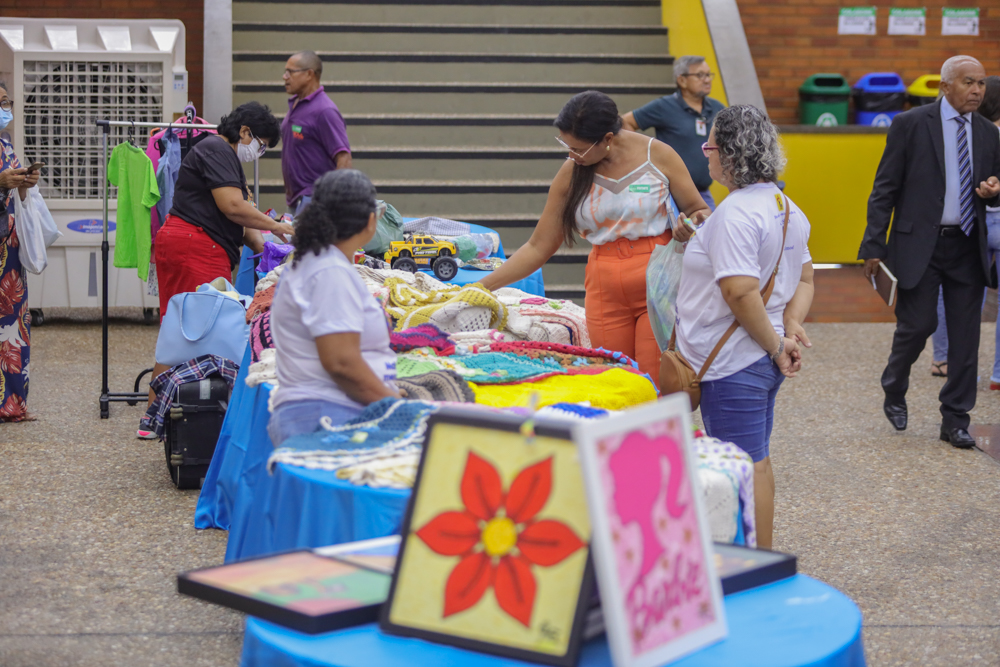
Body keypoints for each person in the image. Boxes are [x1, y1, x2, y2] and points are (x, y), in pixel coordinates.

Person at [479, 91, 710, 382]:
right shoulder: (572, 172)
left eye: (578, 148)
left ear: (608, 139)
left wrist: (689, 225)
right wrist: (481, 287)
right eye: (566, 145)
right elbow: (539, 246)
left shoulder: (657, 155)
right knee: (611, 378)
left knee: (654, 380)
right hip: (605, 281)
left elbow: (699, 210)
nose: (571, 155)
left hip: (657, 277)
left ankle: (658, 428)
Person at [676, 105, 813, 550]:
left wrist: (777, 344)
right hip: (758, 354)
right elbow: (806, 277)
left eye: (709, 145)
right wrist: (789, 325)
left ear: (730, 154)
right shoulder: (786, 207)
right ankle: (759, 558)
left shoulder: (736, 212)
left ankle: (755, 564)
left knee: (741, 468)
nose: (705, 154)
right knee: (756, 461)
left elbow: (740, 292)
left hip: (737, 361)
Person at [859, 56, 1000, 449]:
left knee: (965, 337)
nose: (977, 90)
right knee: (917, 325)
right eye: (969, 82)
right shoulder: (911, 124)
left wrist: (994, 189)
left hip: (967, 245)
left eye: (982, 84)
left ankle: (955, 419)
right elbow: (884, 187)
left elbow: (995, 180)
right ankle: (894, 383)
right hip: (918, 243)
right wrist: (873, 244)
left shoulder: (989, 132)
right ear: (945, 86)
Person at [138, 101, 295, 439]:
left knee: (182, 328)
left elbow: (243, 219)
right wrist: (279, 228)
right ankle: (158, 416)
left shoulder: (225, 159)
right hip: (194, 246)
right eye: (262, 144)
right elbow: (234, 208)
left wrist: (270, 248)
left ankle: (161, 415)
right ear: (244, 132)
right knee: (189, 332)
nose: (260, 151)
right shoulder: (215, 150)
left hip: (198, 245)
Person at [267, 170, 400, 445]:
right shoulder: (329, 272)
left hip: (326, 412)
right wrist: (399, 408)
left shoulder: (320, 262)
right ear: (370, 221)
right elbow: (341, 363)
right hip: (329, 416)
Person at [927, 76, 1000, 386]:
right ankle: (998, 373)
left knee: (957, 292)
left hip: (970, 224)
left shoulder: (965, 132)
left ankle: (942, 358)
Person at [622, 55, 726, 210]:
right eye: (699, 75)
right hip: (670, 194)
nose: (707, 80)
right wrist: (645, 154)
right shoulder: (664, 106)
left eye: (708, 74)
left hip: (702, 193)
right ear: (682, 80)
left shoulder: (717, 108)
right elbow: (626, 122)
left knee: (709, 231)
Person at [0, 80, 40, 422]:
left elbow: (15, 196)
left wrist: (24, 185)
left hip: (9, 250)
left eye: (6, 101)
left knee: (13, 324)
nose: (5, 109)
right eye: (0, 103)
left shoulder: (5, 144)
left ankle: (13, 402)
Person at [281, 51, 352, 216]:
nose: (285, 77)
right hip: (297, 201)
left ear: (309, 74)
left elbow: (344, 158)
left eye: (290, 72)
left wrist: (328, 202)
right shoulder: (296, 104)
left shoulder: (325, 111)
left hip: (315, 203)